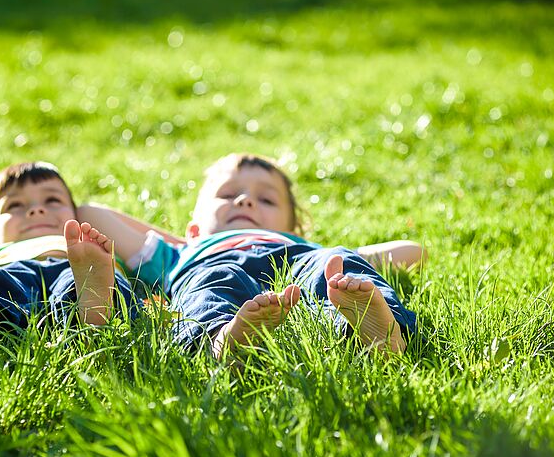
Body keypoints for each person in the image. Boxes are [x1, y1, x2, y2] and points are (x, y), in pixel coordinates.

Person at [78, 153, 421, 357]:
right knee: (212, 284)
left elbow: (412, 251)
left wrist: (348, 261)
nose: (245, 201)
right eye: (228, 195)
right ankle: (222, 340)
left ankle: (376, 331)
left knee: (337, 266)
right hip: (211, 265)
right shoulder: (179, 253)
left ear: (291, 227)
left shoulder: (309, 250)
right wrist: (189, 242)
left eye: (267, 200)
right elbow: (90, 211)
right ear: (193, 226)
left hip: (294, 261)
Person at [0, 161, 136, 335]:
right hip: (10, 268)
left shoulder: (91, 249)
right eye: (15, 205)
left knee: (94, 281)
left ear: (76, 216)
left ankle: (94, 303)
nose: (36, 209)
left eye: (52, 200)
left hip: (75, 267)